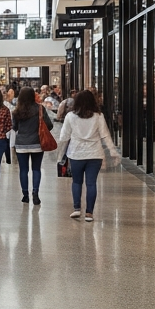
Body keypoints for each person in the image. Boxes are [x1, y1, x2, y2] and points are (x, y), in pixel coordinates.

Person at [58, 90, 118, 222]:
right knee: (91, 183)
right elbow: (105, 135)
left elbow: (64, 137)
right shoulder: (98, 116)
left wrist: (60, 154)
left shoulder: (70, 116)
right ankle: (89, 213)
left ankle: (77, 209)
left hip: (76, 153)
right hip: (95, 154)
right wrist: (112, 150)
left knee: (77, 181)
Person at [10, 86, 54, 206]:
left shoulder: (16, 111)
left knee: (23, 170)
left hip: (21, 144)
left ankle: (25, 195)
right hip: (37, 143)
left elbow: (14, 127)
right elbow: (49, 125)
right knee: (36, 169)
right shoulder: (40, 109)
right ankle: (35, 193)